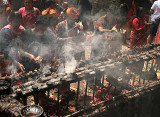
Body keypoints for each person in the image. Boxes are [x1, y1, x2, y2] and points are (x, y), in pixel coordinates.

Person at [0, 11, 37, 76]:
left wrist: (29, 55)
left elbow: (19, 49)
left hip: (16, 58)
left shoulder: (21, 30)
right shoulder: (5, 32)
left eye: (19, 22)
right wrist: (15, 63)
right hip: (5, 60)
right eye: (16, 22)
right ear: (10, 21)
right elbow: (5, 51)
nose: (18, 24)